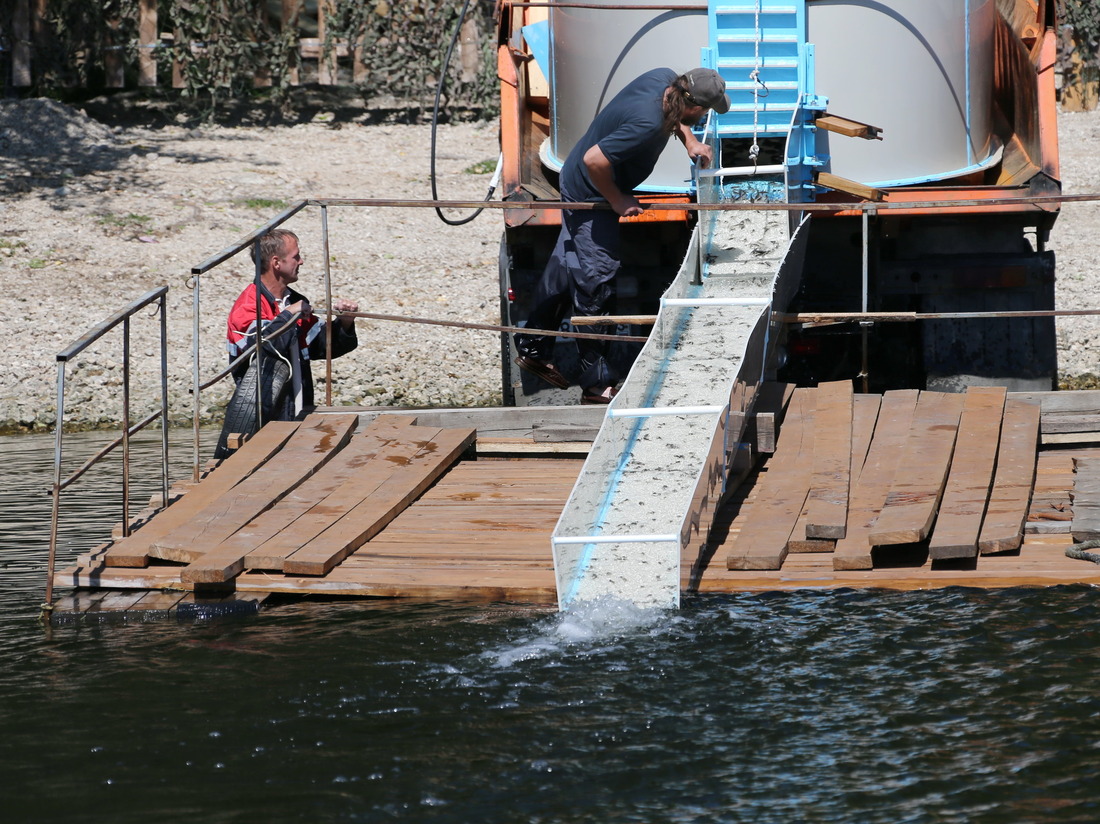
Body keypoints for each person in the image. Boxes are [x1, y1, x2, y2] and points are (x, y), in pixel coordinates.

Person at [514, 67, 731, 403]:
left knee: (566, 262)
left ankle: (533, 347)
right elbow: (594, 159)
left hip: (582, 180)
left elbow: (674, 114)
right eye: (705, 112)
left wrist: (689, 139)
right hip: (592, 193)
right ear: (695, 106)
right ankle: (595, 384)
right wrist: (616, 199)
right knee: (595, 278)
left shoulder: (664, 79)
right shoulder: (647, 122)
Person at [226, 228, 359, 420]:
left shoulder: (293, 300)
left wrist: (344, 322)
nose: (301, 261)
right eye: (296, 257)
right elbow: (261, 349)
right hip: (259, 416)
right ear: (276, 263)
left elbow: (321, 347)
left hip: (295, 410)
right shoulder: (248, 305)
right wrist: (289, 315)